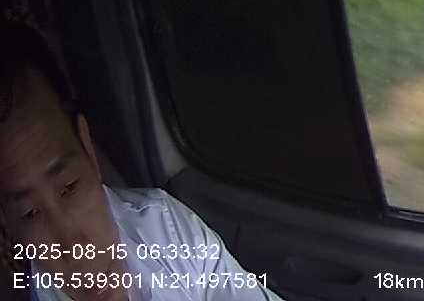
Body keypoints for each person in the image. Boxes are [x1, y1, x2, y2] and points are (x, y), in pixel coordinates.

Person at [0, 21, 281, 301]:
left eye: (69, 187)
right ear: (7, 223)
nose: (75, 247)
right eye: (30, 213)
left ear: (87, 147)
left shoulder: (163, 228)